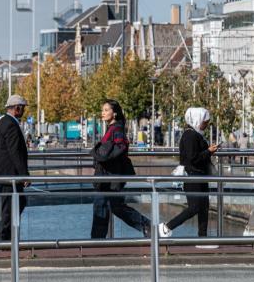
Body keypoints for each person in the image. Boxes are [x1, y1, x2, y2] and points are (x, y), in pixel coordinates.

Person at [90, 99, 150, 238]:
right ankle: (147, 226)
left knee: (105, 206)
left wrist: (101, 155)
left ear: (114, 113)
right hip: (108, 175)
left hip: (110, 176)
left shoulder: (116, 128)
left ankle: (96, 241)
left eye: (106, 110)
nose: (103, 113)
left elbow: (119, 148)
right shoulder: (112, 128)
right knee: (110, 206)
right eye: (102, 110)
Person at [158, 108, 218, 238]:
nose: (206, 124)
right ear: (197, 120)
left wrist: (208, 151)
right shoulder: (190, 136)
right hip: (192, 175)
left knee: (204, 207)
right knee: (195, 207)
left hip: (200, 175)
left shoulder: (196, 134)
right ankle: (167, 227)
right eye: (204, 122)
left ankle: (202, 237)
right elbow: (193, 158)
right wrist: (209, 151)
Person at [0, 94, 30, 240]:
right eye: (23, 108)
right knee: (10, 207)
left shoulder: (4, 121)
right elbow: (15, 151)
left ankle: (1, 233)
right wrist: (24, 174)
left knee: (15, 204)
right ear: (17, 108)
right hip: (9, 173)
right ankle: (2, 236)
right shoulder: (10, 124)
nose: (24, 111)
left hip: (7, 172)